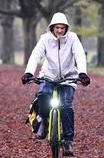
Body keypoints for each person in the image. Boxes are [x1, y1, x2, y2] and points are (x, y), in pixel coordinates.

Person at [21, 12, 90, 157]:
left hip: (68, 78)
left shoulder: (72, 38)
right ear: (52, 27)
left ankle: (68, 141)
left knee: (66, 107)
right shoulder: (45, 39)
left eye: (62, 28)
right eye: (57, 27)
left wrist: (82, 73)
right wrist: (28, 72)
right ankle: (45, 120)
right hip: (48, 76)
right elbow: (35, 55)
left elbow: (79, 55)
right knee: (42, 94)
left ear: (66, 28)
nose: (59, 30)